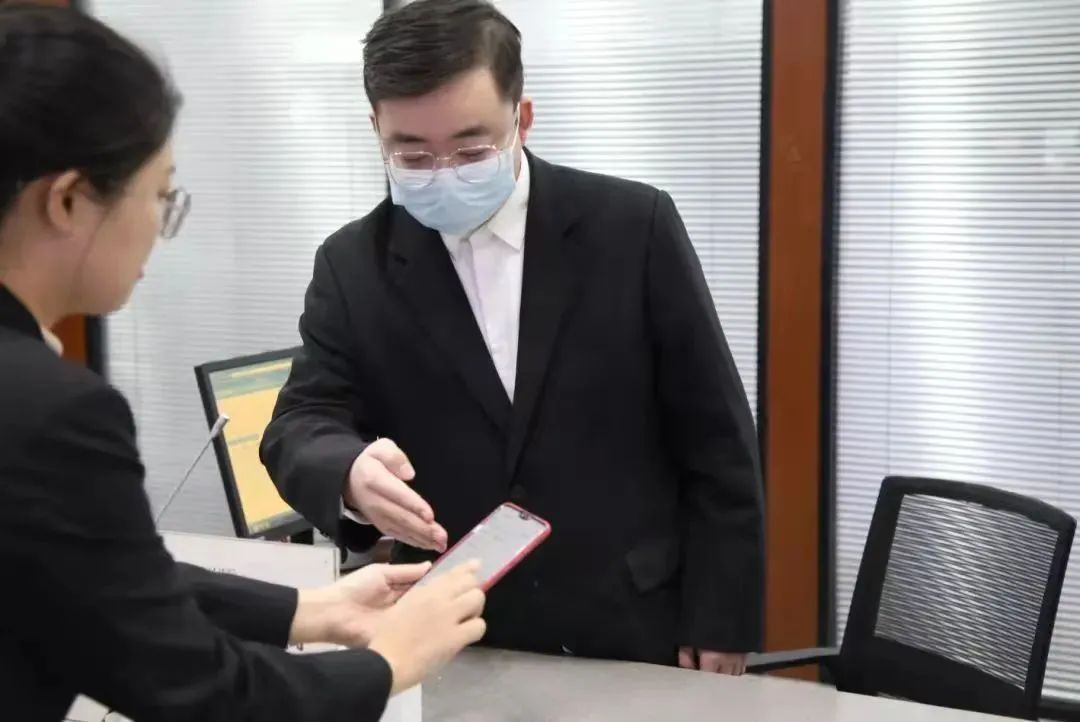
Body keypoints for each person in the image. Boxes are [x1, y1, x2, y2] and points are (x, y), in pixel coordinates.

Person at [0, 5, 487, 721]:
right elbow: (202, 690)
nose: (161, 228)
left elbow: (103, 579)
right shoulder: (50, 410)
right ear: (69, 200)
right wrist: (387, 663)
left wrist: (309, 611)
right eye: (159, 196)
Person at [262, 0, 764, 674]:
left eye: (471, 149)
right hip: (455, 634)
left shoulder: (631, 227)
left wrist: (721, 620)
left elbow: (716, 438)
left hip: (631, 617)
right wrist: (348, 473)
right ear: (376, 129)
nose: (443, 171)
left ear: (521, 119)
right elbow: (300, 422)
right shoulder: (354, 265)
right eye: (412, 153)